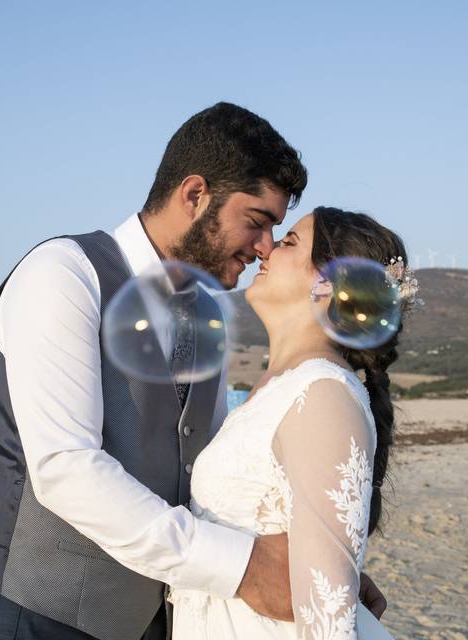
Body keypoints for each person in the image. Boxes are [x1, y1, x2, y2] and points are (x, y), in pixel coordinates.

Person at [0, 103, 386, 640]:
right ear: (195, 196)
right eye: (256, 223)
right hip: (40, 617)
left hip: (160, 622)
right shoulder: (64, 275)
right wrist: (246, 568)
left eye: (275, 233)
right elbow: (65, 468)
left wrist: (319, 564)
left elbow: (207, 475)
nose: (263, 249)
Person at [170, 208, 415, 639]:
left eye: (288, 244)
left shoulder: (322, 394)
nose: (265, 248)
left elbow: (328, 617)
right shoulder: (279, 390)